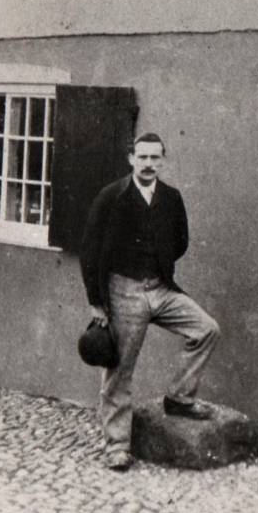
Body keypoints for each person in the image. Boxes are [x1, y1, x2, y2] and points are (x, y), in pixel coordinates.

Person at [79, 132, 221, 472]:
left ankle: (179, 397)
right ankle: (116, 445)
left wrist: (158, 263)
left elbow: (181, 241)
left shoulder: (171, 197)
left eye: (155, 158)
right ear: (131, 159)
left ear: (163, 160)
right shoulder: (111, 196)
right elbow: (90, 250)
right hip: (123, 291)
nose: (148, 164)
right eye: (142, 157)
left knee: (207, 329)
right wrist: (97, 302)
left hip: (160, 287)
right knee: (120, 371)